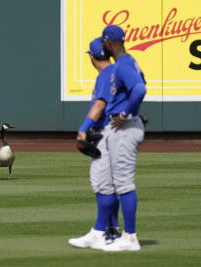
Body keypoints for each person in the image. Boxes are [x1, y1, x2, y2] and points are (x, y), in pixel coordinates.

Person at [68, 37, 120, 250]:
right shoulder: (116, 72)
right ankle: (111, 230)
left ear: (92, 57)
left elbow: (100, 104)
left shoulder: (106, 75)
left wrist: (83, 127)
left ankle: (100, 232)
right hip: (116, 134)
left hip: (104, 134)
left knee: (102, 185)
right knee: (112, 185)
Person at [100, 25, 147, 252]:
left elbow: (139, 89)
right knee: (116, 182)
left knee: (124, 183)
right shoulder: (126, 63)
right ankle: (119, 234)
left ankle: (130, 237)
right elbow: (141, 85)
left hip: (125, 127)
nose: (104, 46)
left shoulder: (124, 64)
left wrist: (124, 113)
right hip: (124, 126)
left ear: (111, 43)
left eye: (105, 42)